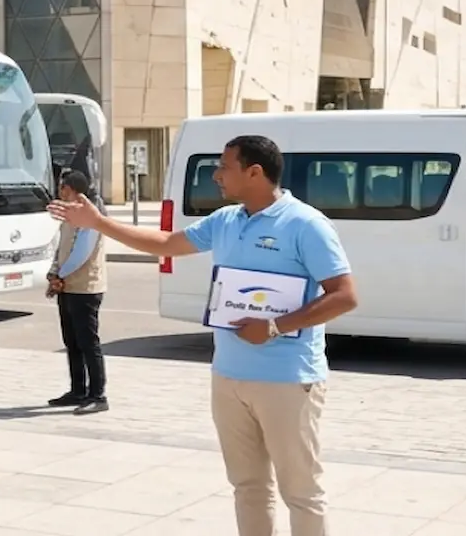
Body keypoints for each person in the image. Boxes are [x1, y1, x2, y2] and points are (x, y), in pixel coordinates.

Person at [49, 134, 358, 536]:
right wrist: (98, 223)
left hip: (288, 380)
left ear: (255, 172)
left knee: (301, 492)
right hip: (228, 376)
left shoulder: (306, 224)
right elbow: (166, 243)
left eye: (224, 166)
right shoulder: (226, 220)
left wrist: (274, 327)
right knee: (248, 487)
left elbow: (345, 296)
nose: (216, 176)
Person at [46, 170, 108, 413]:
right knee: (72, 342)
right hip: (67, 287)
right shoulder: (68, 216)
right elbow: (59, 249)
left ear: (71, 189)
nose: (60, 191)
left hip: (85, 289)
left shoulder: (91, 217)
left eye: (63, 187)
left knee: (88, 343)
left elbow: (81, 254)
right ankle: (78, 390)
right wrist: (54, 274)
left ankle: (98, 395)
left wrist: (60, 276)